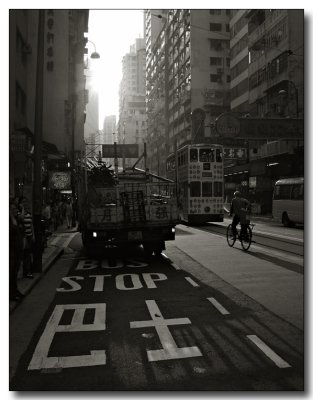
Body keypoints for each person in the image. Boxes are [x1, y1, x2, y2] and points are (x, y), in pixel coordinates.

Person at [9, 198, 25, 300]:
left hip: (18, 248)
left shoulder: (17, 219)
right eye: (13, 209)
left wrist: (22, 208)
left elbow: (22, 219)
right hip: (11, 249)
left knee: (15, 271)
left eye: (15, 209)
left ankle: (15, 291)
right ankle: (11, 294)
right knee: (11, 272)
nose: (15, 210)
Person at [19, 197, 34, 279]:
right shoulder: (19, 213)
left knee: (28, 254)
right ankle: (27, 272)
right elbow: (21, 218)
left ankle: (28, 271)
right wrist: (22, 208)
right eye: (23, 202)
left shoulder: (29, 213)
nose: (25, 203)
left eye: (26, 202)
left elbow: (31, 225)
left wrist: (33, 235)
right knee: (25, 255)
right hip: (24, 237)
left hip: (29, 235)